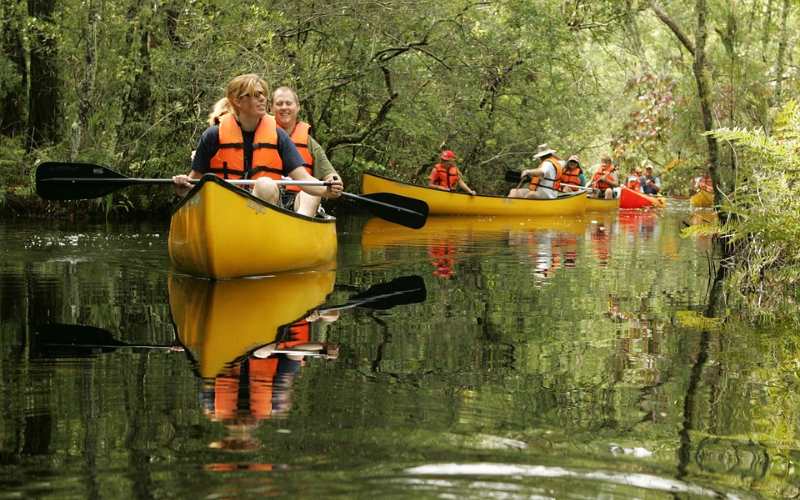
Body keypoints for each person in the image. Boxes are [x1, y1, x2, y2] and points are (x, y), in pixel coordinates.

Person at [172, 74, 342, 215]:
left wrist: (327, 191)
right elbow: (191, 185)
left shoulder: (278, 136)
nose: (262, 99)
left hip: (262, 217)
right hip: (224, 212)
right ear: (238, 101)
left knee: (265, 184)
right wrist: (182, 186)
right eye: (255, 95)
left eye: (263, 94)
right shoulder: (213, 135)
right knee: (216, 186)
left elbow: (304, 179)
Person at [271, 86, 344, 216]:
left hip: (299, 199)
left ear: (297, 107)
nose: (284, 107)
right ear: (271, 108)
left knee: (309, 194)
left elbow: (331, 175)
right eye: (279, 104)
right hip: (271, 197)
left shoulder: (310, 143)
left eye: (288, 103)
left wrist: (334, 182)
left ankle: (298, 228)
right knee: (265, 186)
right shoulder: (259, 135)